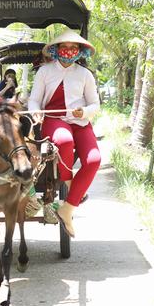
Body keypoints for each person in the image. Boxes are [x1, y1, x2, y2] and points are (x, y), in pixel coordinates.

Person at [28, 29, 100, 237]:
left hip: (80, 121)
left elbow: (95, 104)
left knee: (94, 160)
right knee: (64, 140)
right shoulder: (45, 71)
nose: (69, 50)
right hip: (53, 119)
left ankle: (67, 209)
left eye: (73, 47)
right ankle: (70, 184)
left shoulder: (85, 74)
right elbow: (34, 100)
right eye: (65, 47)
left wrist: (83, 111)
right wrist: (35, 113)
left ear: (80, 51)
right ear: (56, 49)